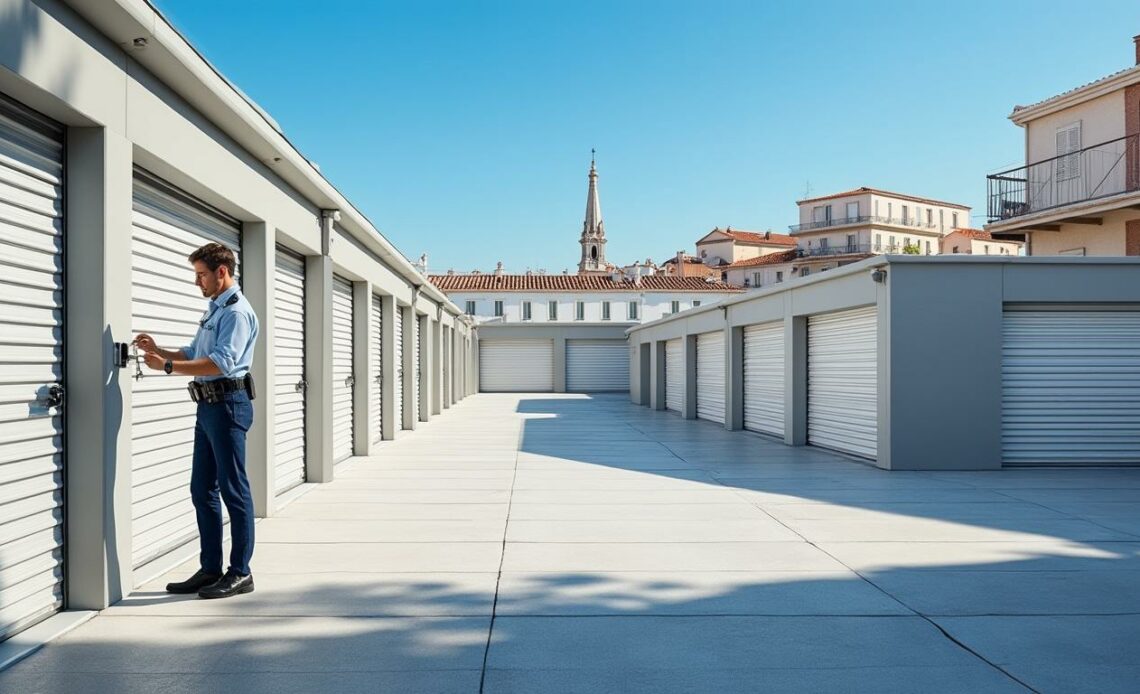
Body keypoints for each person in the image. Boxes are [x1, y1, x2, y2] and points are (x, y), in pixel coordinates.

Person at [135, 242, 260, 599]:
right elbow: (195, 353)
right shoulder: (214, 309)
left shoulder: (236, 313)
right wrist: (158, 351)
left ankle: (240, 573)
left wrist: (169, 368)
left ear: (222, 272)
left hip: (227, 405)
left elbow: (220, 362)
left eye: (201, 275)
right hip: (208, 407)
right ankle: (210, 569)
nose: (197, 282)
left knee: (234, 491)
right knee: (201, 489)